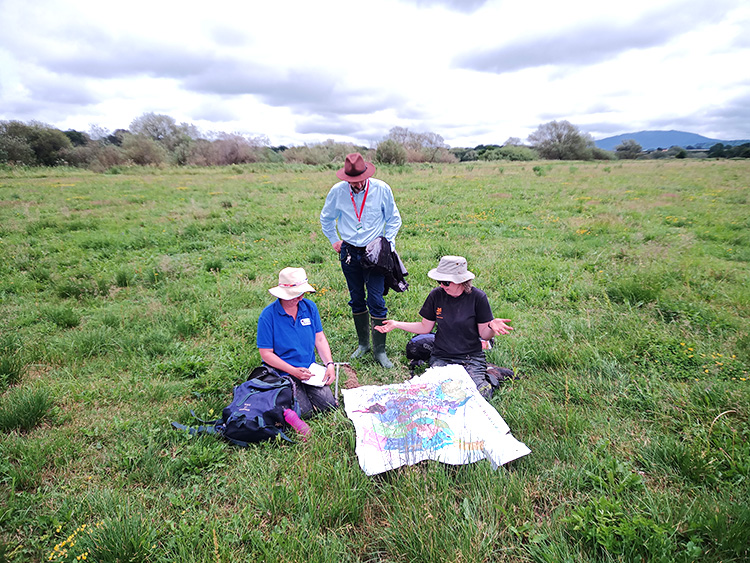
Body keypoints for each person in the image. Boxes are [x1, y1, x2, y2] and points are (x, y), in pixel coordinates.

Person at [374, 256, 513, 398]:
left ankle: (492, 374)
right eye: (439, 281)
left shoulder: (478, 298)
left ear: (461, 281)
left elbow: (484, 334)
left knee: (480, 394)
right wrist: (396, 324)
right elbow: (424, 327)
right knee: (439, 393)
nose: (442, 285)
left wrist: (491, 326)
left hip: (470, 356)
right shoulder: (436, 295)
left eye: (446, 282)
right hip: (442, 356)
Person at [320, 152, 402, 368]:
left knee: (376, 299)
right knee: (356, 298)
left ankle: (380, 351)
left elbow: (394, 219)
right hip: (349, 252)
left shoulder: (381, 189)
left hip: (374, 252)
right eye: (351, 181)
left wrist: (388, 244)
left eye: (359, 179)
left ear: (367, 174)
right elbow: (326, 218)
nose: (356, 184)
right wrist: (334, 240)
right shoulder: (337, 192)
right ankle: (364, 344)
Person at [256, 267, 337, 418]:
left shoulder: (309, 307)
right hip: (283, 371)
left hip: (309, 369)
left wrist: (329, 364)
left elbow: (319, 339)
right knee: (304, 412)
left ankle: (305, 391)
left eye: (302, 294)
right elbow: (266, 354)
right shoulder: (268, 316)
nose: (300, 299)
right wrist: (293, 371)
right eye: (295, 295)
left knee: (328, 405)